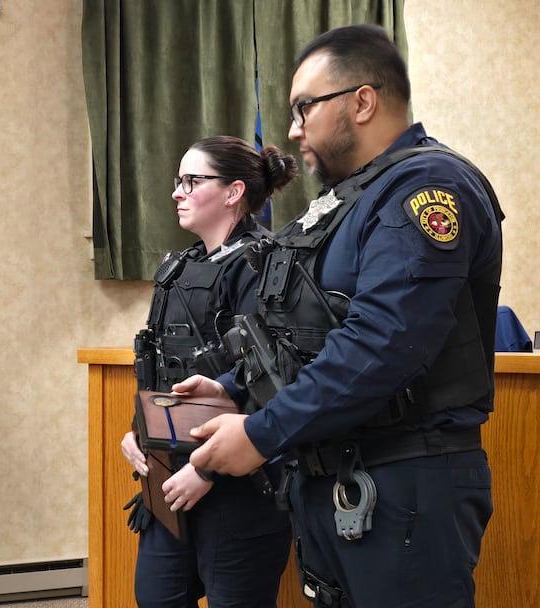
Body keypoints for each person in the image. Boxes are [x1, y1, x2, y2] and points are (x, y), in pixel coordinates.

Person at [178, 25, 503, 608]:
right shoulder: (344, 203)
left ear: (362, 101)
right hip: (336, 475)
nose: (292, 129)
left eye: (304, 107)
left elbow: (381, 345)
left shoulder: (425, 188)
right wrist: (235, 390)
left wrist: (259, 433)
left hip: (405, 479)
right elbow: (304, 329)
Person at [120, 135, 299, 608]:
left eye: (191, 180)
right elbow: (159, 366)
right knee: (156, 597)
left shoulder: (266, 267)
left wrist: (207, 472)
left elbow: (274, 380)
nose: (177, 192)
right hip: (170, 477)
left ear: (233, 191)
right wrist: (137, 432)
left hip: (238, 482)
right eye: (178, 181)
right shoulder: (179, 267)